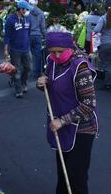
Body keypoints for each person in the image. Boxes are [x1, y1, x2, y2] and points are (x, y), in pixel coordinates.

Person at [36, 24, 98, 194]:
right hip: (60, 125)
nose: (56, 55)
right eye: (52, 51)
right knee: (63, 173)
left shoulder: (80, 67)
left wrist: (63, 120)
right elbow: (50, 84)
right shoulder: (52, 61)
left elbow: (89, 103)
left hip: (82, 128)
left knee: (76, 177)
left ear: (69, 46)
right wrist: (41, 83)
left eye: (60, 51)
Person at [3, 0, 32, 98]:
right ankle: (18, 90)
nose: (27, 11)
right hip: (15, 49)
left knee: (28, 68)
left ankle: (23, 83)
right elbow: (6, 36)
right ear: (21, 9)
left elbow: (28, 33)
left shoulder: (28, 19)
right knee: (16, 70)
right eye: (26, 9)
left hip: (26, 49)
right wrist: (5, 50)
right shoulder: (10, 20)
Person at [94, 3, 111, 90]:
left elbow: (96, 30)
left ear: (105, 10)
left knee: (107, 64)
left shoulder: (103, 18)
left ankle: (108, 84)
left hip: (106, 44)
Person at [28, 0, 46, 78]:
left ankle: (27, 71)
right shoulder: (41, 13)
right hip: (37, 36)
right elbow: (43, 27)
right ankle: (37, 72)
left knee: (27, 54)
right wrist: (45, 37)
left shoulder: (26, 12)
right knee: (37, 55)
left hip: (28, 35)